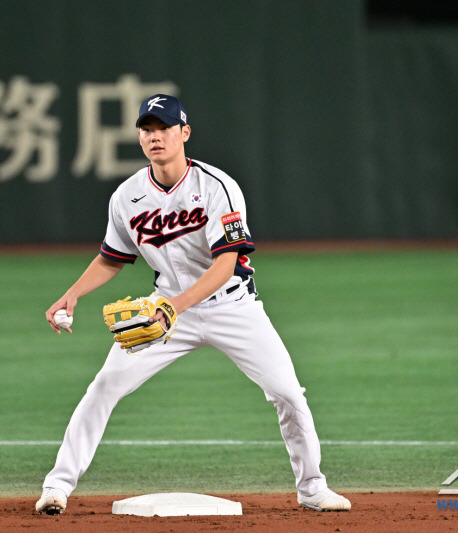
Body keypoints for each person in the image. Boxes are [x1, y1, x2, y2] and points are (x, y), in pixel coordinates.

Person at [36, 94, 351, 514]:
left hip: (232, 308)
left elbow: (226, 264)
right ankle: (57, 487)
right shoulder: (127, 197)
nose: (155, 137)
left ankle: (312, 488)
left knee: (288, 394)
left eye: (164, 128)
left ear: (184, 133)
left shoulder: (217, 187)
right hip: (166, 310)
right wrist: (73, 293)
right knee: (104, 387)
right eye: (147, 130)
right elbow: (112, 258)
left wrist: (175, 307)